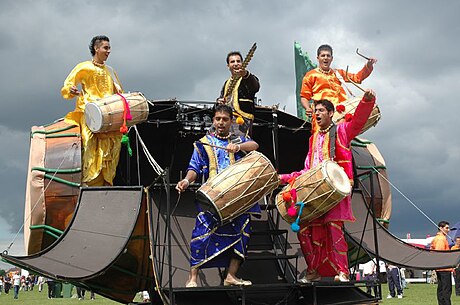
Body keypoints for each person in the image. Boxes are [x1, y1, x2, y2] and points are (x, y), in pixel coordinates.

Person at [279, 89, 377, 282]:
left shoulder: (341, 131)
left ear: (331, 113)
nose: (317, 113)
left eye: (321, 110)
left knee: (334, 229)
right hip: (315, 190)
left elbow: (357, 122)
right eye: (316, 110)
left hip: (335, 190)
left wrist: (367, 101)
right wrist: (283, 177)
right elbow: (307, 170)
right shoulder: (313, 138)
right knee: (306, 231)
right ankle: (313, 270)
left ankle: (343, 271)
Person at [176, 104, 260, 288]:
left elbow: (255, 146)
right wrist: (186, 181)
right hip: (212, 196)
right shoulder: (203, 143)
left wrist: (238, 147)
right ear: (213, 121)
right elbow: (194, 168)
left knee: (242, 232)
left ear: (231, 122)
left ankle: (231, 276)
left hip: (235, 196)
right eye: (217, 119)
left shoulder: (238, 139)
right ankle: (192, 279)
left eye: (225, 119)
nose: (221, 123)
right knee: (201, 233)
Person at [61, 35, 124, 186]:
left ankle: (107, 183)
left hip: (109, 114)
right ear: (96, 48)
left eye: (109, 48)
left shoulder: (111, 71)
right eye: (106, 48)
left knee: (113, 146)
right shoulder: (84, 67)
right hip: (90, 112)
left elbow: (119, 93)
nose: (109, 51)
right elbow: (67, 85)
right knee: (89, 143)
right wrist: (71, 90)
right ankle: (88, 183)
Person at [301, 44, 377, 117]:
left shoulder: (338, 73)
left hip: (341, 113)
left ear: (332, 58)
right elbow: (304, 96)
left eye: (328, 55)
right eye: (323, 55)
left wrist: (369, 65)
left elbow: (357, 78)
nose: (326, 58)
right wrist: (307, 108)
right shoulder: (310, 75)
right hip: (322, 116)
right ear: (318, 58)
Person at [216, 51, 260, 137]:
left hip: (241, 120)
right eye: (232, 62)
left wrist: (246, 74)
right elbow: (220, 100)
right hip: (225, 119)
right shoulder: (226, 83)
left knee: (237, 144)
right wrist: (219, 102)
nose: (236, 64)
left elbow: (255, 87)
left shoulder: (247, 78)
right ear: (228, 66)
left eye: (238, 61)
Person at [431, 221, 453, 305]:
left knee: (441, 289)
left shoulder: (437, 238)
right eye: (446, 228)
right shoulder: (441, 239)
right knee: (446, 290)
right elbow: (439, 253)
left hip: (440, 267)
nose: (448, 230)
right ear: (441, 228)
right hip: (444, 267)